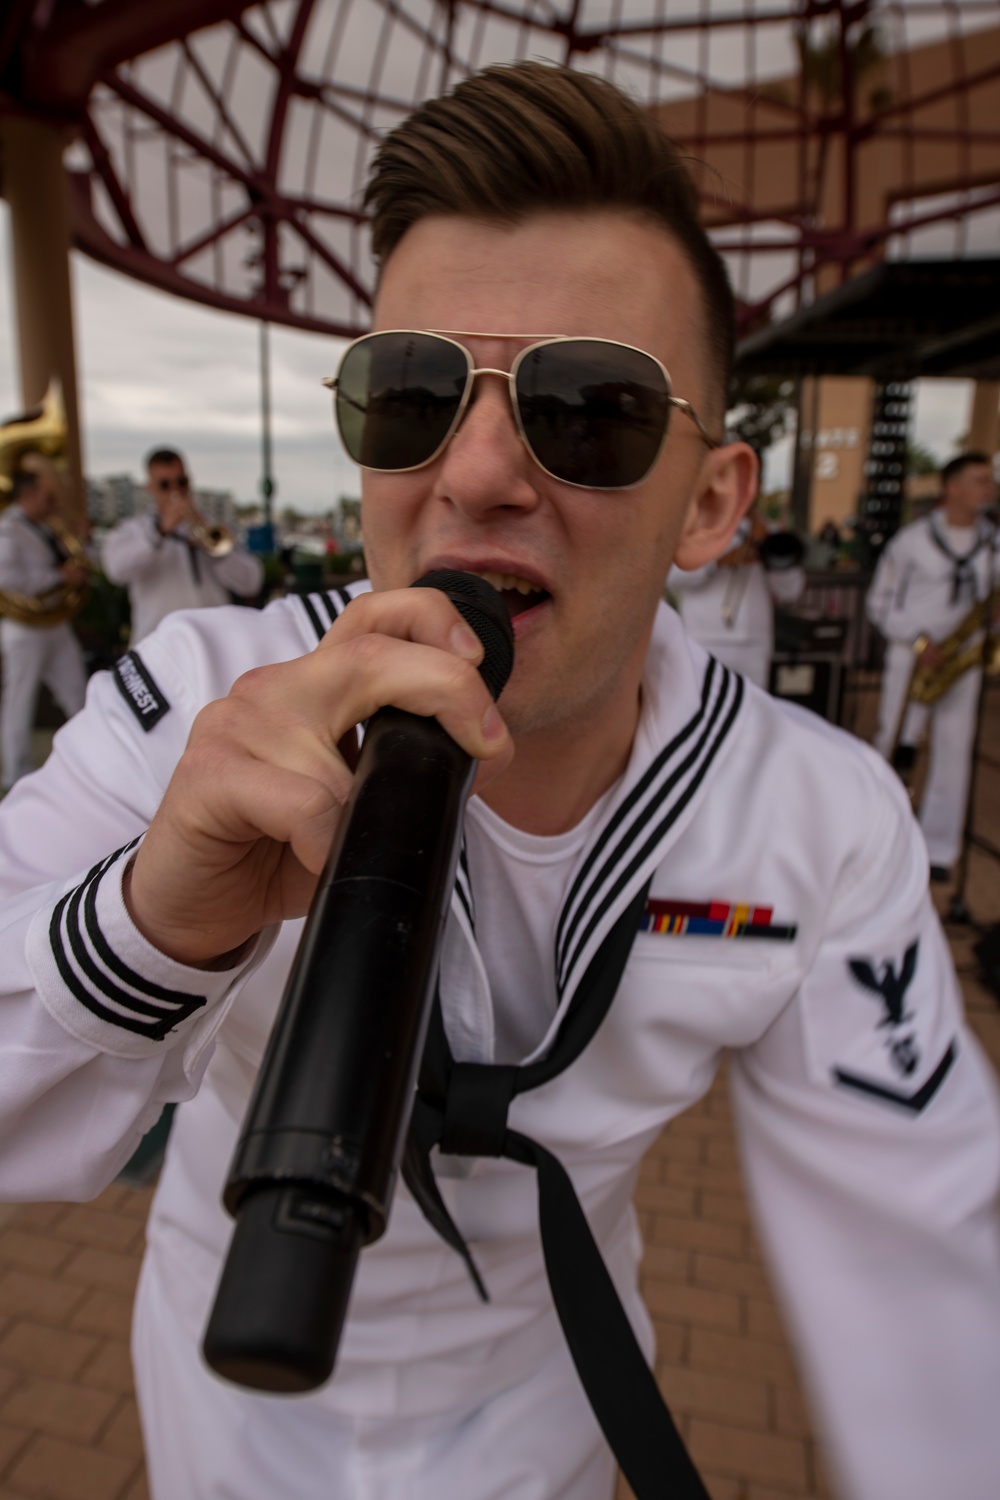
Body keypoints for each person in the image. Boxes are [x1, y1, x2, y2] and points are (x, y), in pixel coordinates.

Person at [0, 63, 999, 1500]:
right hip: (226, 1407)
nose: (473, 474)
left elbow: (925, 1282)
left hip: (544, 1421)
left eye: (585, 409)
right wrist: (150, 920)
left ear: (711, 501)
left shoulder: (818, 825)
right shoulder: (202, 703)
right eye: (409, 395)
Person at [867, 451, 999, 881]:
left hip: (964, 661)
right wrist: (916, 639)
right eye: (979, 480)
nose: (989, 487)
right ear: (952, 488)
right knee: (895, 741)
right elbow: (879, 602)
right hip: (914, 655)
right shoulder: (911, 541)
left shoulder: (994, 543)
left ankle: (940, 851)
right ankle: (880, 840)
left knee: (955, 751)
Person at [102, 448, 263, 643]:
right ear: (150, 488)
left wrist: (214, 549)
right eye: (165, 485)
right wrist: (159, 532)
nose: (175, 491)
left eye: (181, 482)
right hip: (158, 644)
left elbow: (251, 582)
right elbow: (116, 571)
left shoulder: (212, 526)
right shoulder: (133, 530)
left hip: (214, 640)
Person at [0, 453, 88, 790]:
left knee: (78, 696)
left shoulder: (44, 526)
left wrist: (81, 545)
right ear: (29, 495)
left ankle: (86, 761)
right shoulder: (8, 528)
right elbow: (7, 577)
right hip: (25, 631)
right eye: (48, 496)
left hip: (54, 626)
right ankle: (14, 776)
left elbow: (71, 560)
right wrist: (58, 576)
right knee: (18, 704)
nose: (53, 503)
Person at [667, 509, 806, 687]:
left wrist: (770, 555)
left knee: (751, 709)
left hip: (754, 644)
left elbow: (791, 591)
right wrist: (718, 561)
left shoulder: (768, 531)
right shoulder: (697, 529)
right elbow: (672, 578)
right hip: (703, 639)